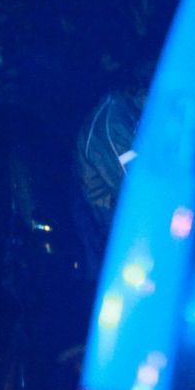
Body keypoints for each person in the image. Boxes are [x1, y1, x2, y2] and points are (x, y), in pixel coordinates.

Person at [72, 84, 147, 279]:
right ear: (141, 91)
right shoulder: (112, 123)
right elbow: (133, 185)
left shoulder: (127, 115)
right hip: (108, 219)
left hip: (117, 219)